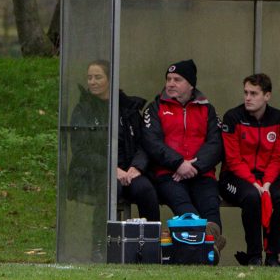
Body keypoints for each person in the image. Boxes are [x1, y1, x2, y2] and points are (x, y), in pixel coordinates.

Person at [68, 60, 159, 262]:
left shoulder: (128, 109)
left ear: (110, 79)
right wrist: (112, 169)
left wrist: (137, 167)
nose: (92, 82)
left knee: (146, 189)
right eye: (89, 77)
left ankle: (151, 248)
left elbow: (144, 144)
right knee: (110, 190)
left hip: (130, 172)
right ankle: (100, 247)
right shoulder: (83, 110)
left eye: (98, 77)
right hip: (96, 172)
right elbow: (81, 151)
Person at [142, 59, 226, 258]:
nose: (170, 83)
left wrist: (193, 167)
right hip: (169, 174)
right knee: (185, 208)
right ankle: (206, 247)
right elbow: (152, 142)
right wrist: (179, 164)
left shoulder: (208, 109)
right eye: (168, 79)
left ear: (190, 84)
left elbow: (216, 144)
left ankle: (204, 248)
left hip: (201, 173)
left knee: (210, 208)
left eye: (177, 79)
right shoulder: (155, 108)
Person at [220, 73, 280, 266]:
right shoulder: (233, 117)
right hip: (234, 177)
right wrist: (255, 184)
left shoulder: (277, 119)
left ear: (267, 96)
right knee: (252, 197)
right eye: (246, 92)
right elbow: (233, 159)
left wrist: (267, 184)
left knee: (277, 196)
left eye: (254, 93)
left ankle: (272, 256)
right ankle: (254, 256)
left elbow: (277, 158)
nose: (248, 97)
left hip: (267, 177)